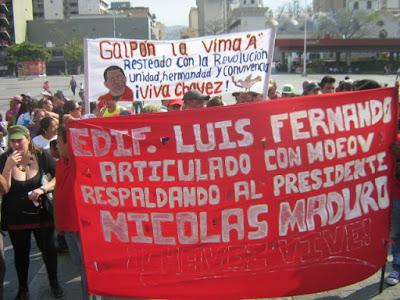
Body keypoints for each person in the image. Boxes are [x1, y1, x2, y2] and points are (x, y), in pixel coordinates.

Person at [0, 125, 63, 299]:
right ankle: (23, 289)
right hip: (16, 216)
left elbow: (59, 175)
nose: (16, 144)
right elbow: (3, 190)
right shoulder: (4, 159)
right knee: (20, 254)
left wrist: (44, 188)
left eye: (19, 140)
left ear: (28, 138)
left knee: (48, 250)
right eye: (12, 141)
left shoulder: (42, 156)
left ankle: (54, 283)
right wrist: (8, 166)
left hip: (42, 214)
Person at [55, 124, 89, 299]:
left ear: (69, 143)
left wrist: (73, 126)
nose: (57, 146)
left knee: (86, 268)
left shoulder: (78, 161)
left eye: (60, 142)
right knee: (78, 264)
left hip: (78, 227)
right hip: (66, 226)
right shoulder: (61, 162)